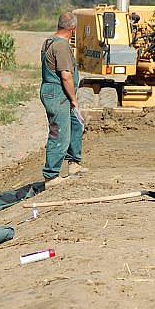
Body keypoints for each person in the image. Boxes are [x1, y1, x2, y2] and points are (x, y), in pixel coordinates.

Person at [40, 12, 87, 187]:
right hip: (58, 93)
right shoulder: (61, 47)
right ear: (73, 30)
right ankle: (51, 176)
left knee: (76, 124)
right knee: (60, 132)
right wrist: (74, 100)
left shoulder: (49, 41)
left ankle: (74, 164)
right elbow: (66, 76)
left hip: (57, 92)